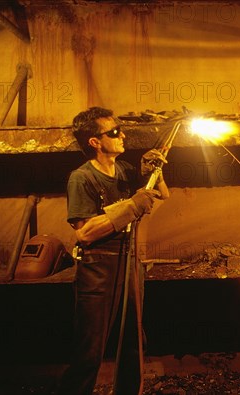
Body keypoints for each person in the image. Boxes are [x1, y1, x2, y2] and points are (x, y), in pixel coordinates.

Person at [58, 106, 168, 395]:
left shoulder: (125, 171)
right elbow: (85, 231)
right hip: (98, 268)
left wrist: (151, 171)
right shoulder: (81, 178)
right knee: (90, 350)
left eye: (120, 129)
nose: (122, 135)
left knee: (132, 342)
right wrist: (131, 206)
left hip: (130, 262)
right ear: (95, 142)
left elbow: (159, 193)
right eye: (114, 132)